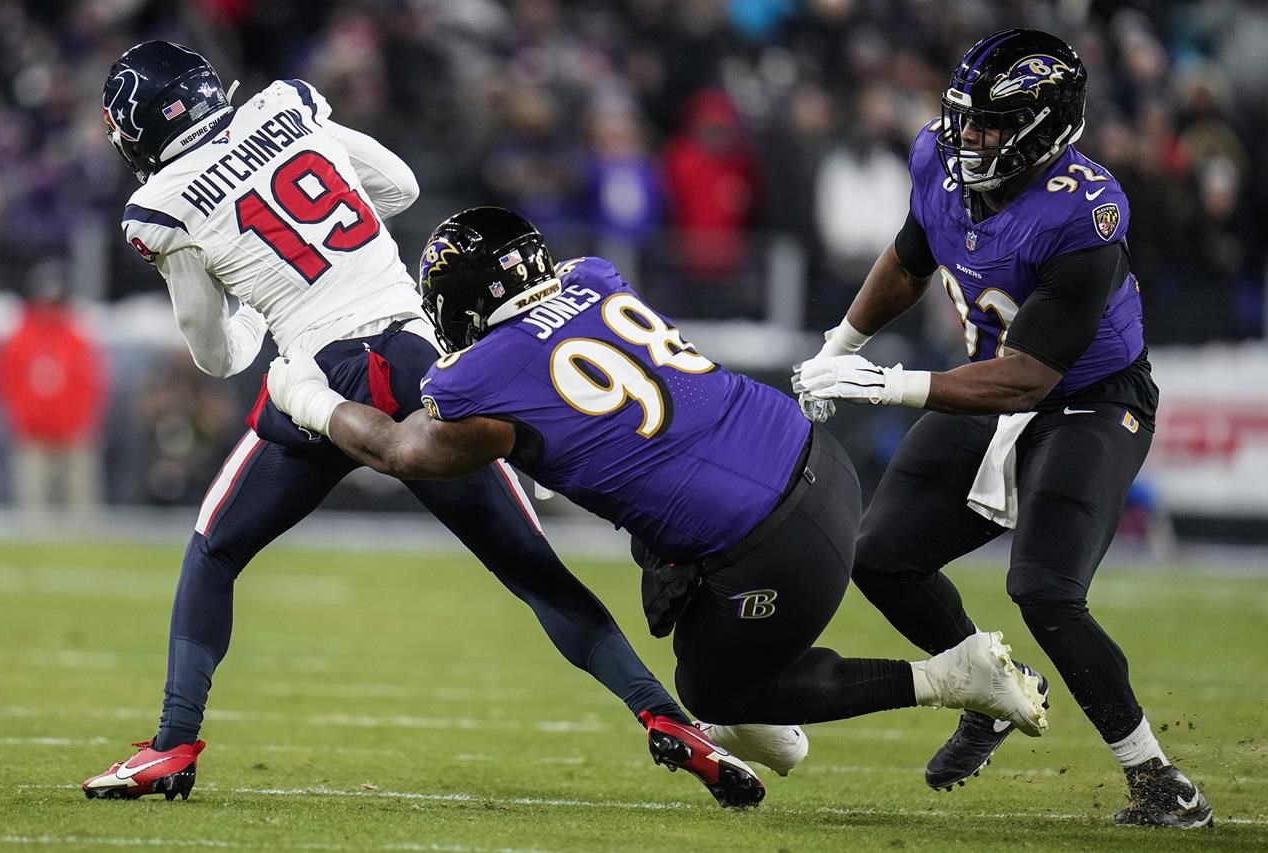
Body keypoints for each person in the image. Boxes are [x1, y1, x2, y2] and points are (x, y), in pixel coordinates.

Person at [80, 41, 750, 809]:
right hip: (421, 364)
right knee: (532, 568)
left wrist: (261, 318)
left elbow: (214, 352)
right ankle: (663, 714)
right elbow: (400, 186)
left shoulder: (163, 205)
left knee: (215, 547)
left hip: (324, 376)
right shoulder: (288, 108)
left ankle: (172, 743)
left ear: (136, 129)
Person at [266, 205, 1052, 795]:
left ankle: (951, 674)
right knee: (667, 569)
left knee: (708, 690)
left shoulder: (478, 375)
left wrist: (305, 396)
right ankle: (763, 712)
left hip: (772, 542)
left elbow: (401, 449)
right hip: (818, 461)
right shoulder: (594, 276)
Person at [792, 29, 1212, 828]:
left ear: (1045, 128)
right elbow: (911, 257)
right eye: (963, 119)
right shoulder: (937, 165)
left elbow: (1031, 375)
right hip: (990, 387)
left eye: (989, 125)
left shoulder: (1084, 212)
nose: (966, 138)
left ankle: (1160, 781)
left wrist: (885, 383)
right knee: (880, 556)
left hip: (1088, 395)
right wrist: (839, 344)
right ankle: (984, 689)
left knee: (1046, 589)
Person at [0, 259, 108, 517]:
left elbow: (92, 384)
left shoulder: (76, 338)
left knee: (81, 505)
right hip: (33, 434)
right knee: (33, 506)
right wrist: (22, 420)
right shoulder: (19, 339)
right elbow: (6, 384)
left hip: (73, 434)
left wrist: (81, 422)